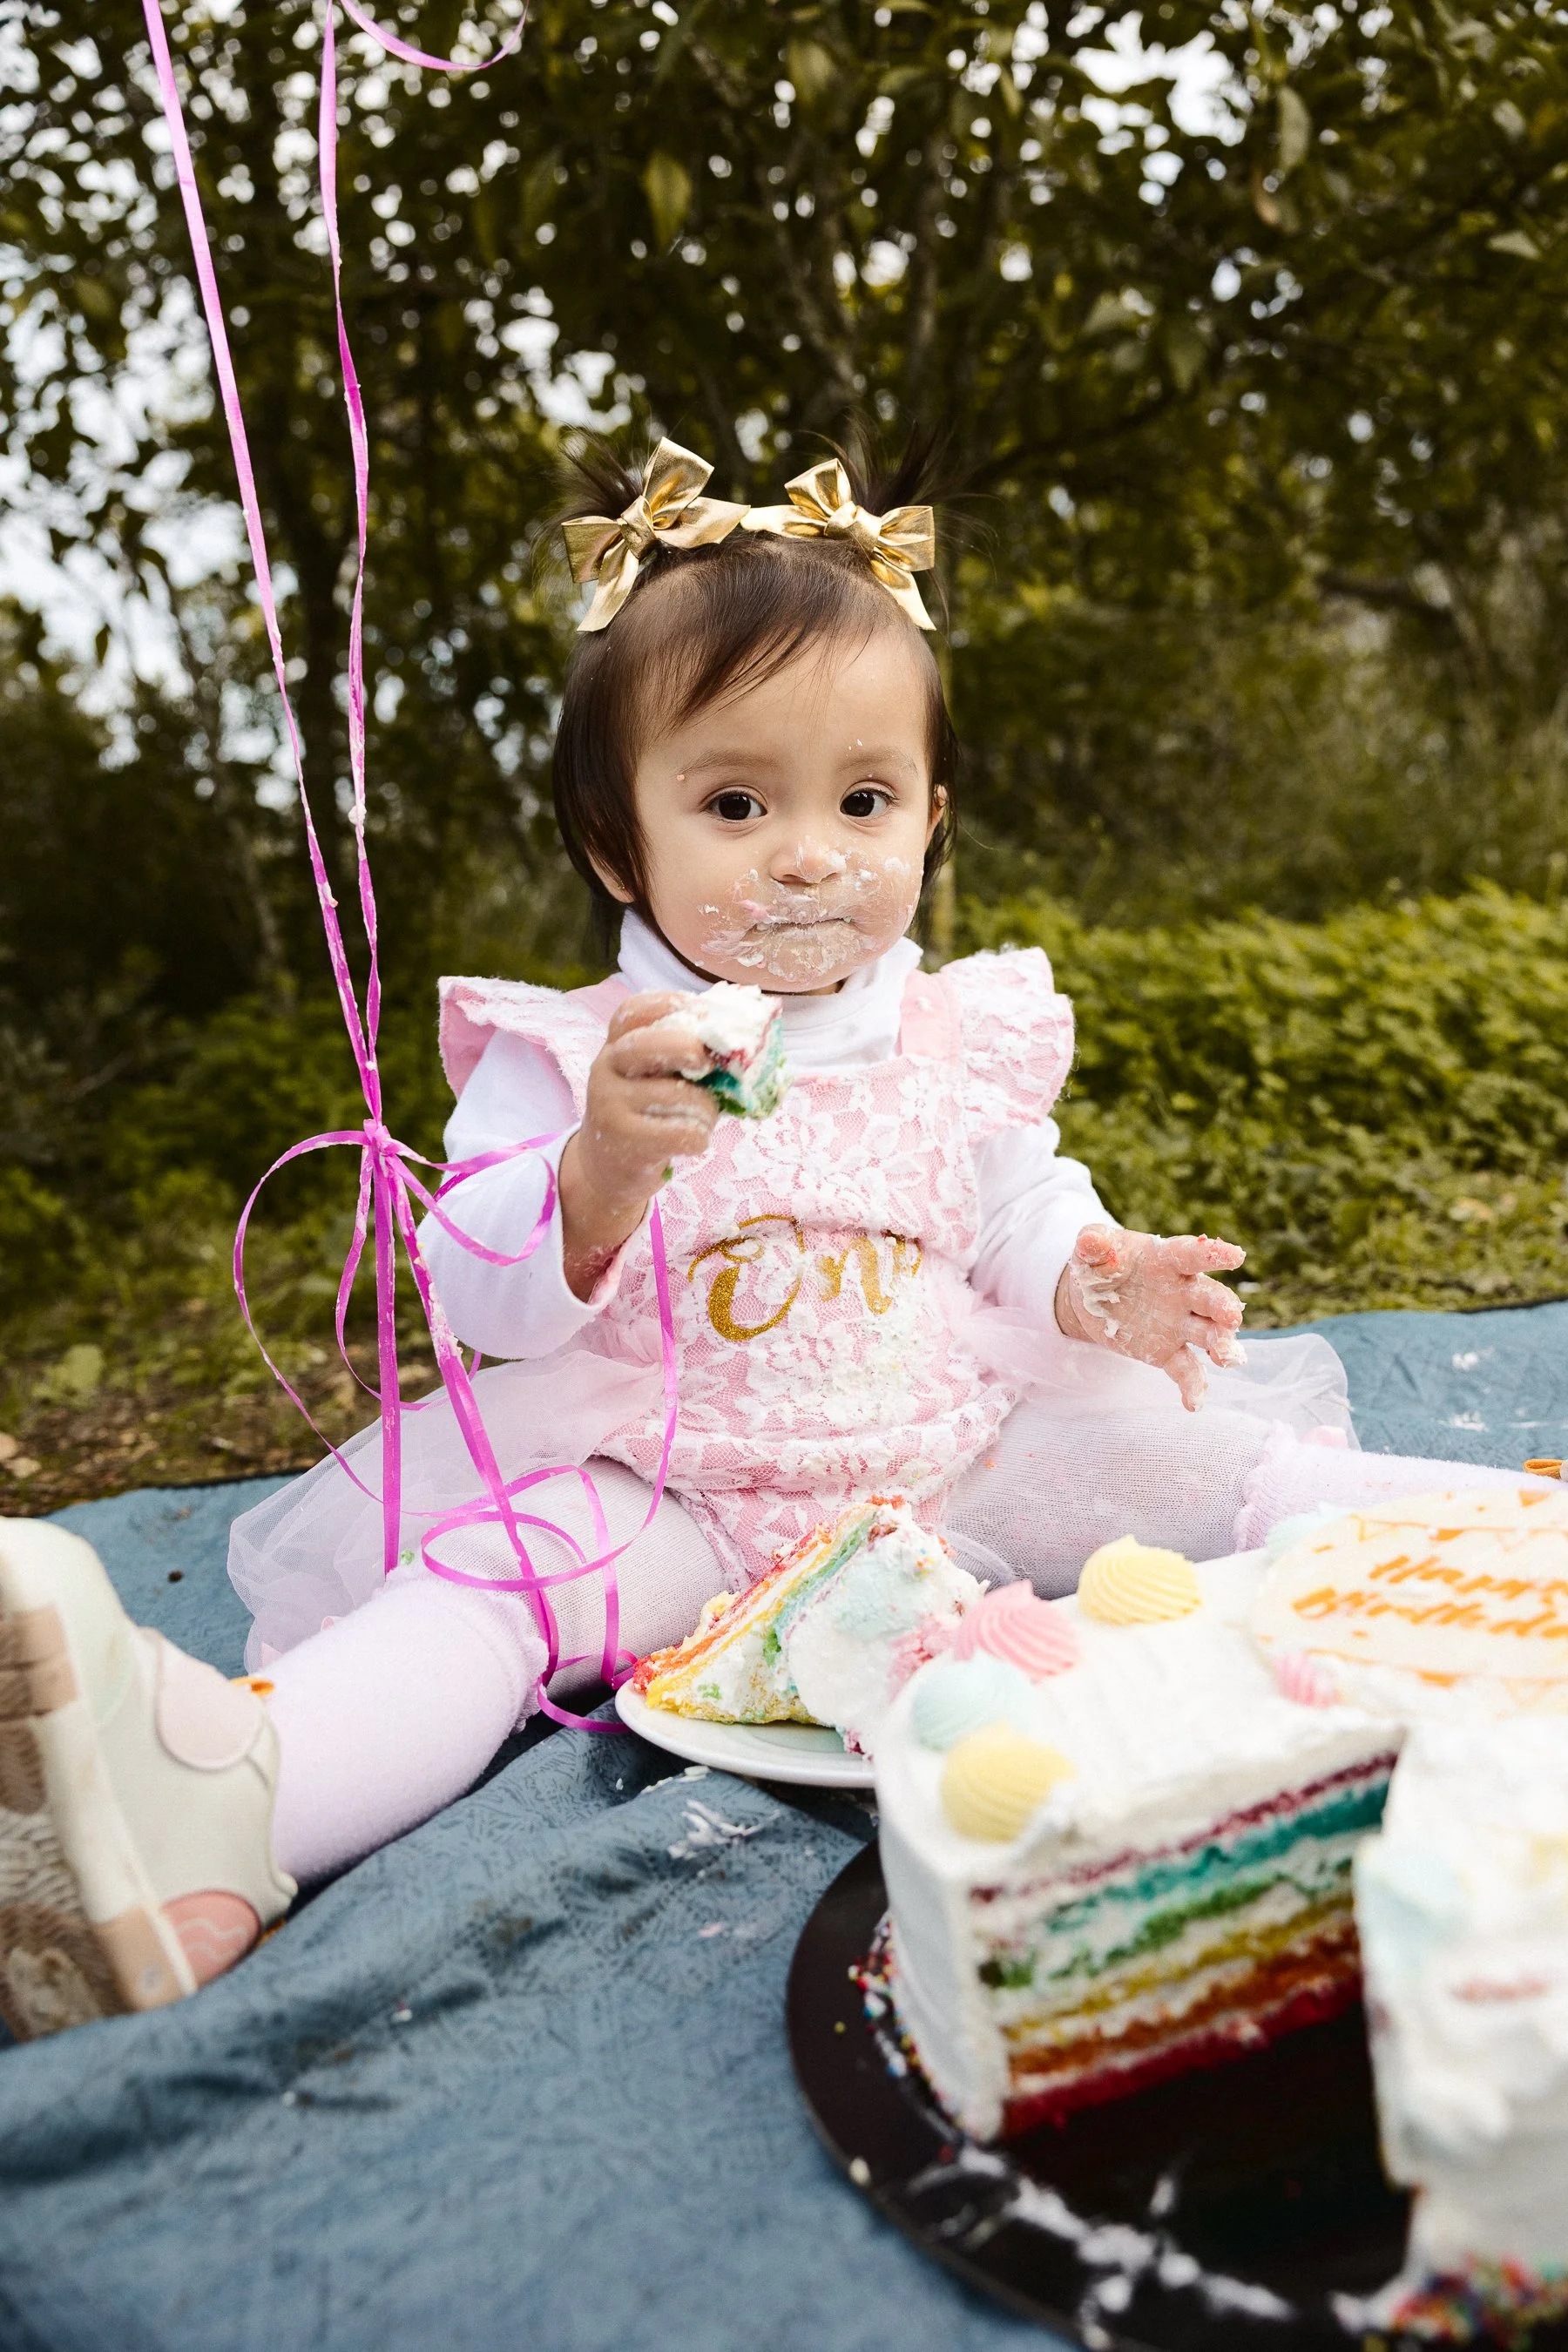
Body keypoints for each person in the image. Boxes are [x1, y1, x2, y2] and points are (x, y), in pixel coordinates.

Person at [0, 435, 1538, 2038]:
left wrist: (1092, 1279)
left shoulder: (960, 1030)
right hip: (672, 1482)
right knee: (483, 1603)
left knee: (1225, 1479)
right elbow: (485, 1299)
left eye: (863, 799)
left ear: (930, 819)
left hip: (953, 1443)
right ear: (617, 842)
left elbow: (1014, 1202)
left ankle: (1510, 1565)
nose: (811, 851)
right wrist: (598, 1168)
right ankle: (231, 1816)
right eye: (736, 801)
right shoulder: (569, 1054)